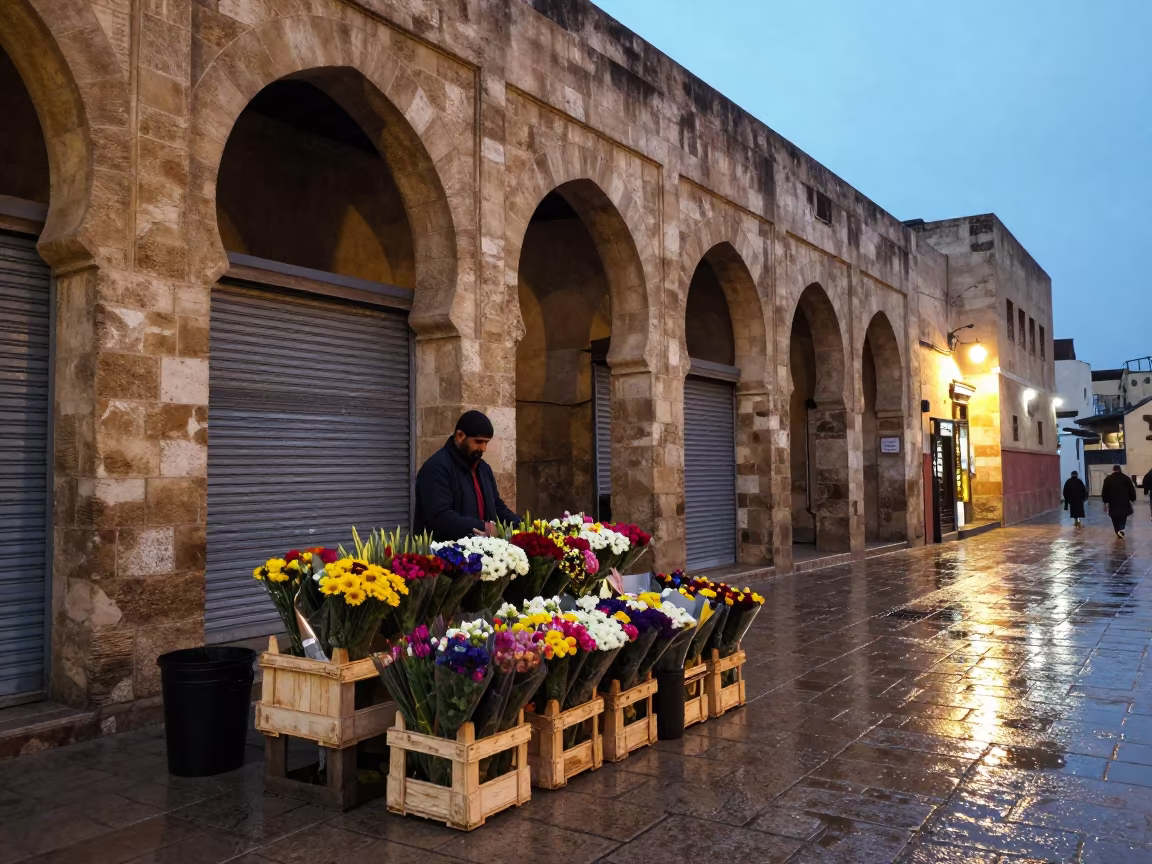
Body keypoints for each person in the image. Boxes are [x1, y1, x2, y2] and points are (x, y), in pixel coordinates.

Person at [414, 410, 519, 541]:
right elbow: (441, 517)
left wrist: (520, 525)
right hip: (446, 555)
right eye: (478, 441)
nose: (483, 449)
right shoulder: (435, 468)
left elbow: (497, 505)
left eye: (486, 442)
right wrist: (484, 527)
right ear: (459, 436)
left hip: (482, 553)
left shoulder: (483, 468)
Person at [1101, 464, 1137, 539]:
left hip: (1113, 502)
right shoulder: (1126, 478)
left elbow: (1104, 491)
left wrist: (1105, 501)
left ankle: (1117, 530)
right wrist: (1133, 498)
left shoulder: (1108, 479)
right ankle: (1121, 527)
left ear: (1113, 470)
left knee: (1114, 517)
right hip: (1124, 501)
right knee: (1123, 515)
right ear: (1120, 469)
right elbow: (1131, 489)